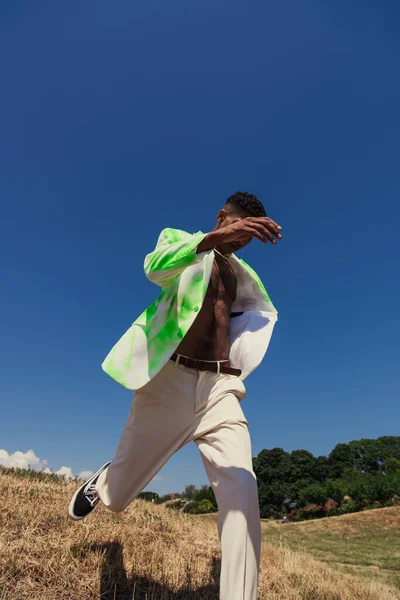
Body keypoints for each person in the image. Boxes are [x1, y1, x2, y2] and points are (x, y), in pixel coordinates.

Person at [68, 191, 282, 600]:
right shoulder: (184, 244)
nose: (239, 243)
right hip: (170, 380)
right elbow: (154, 267)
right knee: (117, 498)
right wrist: (213, 239)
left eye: (246, 241)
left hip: (220, 389)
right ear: (223, 217)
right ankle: (105, 482)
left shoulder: (241, 275)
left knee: (242, 488)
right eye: (237, 232)